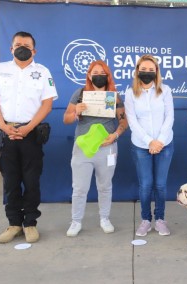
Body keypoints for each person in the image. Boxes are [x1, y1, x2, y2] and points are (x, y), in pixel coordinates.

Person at [0, 31, 58, 243]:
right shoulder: (1, 70)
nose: (22, 47)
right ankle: (14, 223)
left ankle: (30, 224)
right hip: (7, 133)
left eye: (26, 45)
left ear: (34, 50)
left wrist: (28, 128)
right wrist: (4, 127)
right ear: (11, 48)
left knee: (32, 180)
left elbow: (47, 104)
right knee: (11, 180)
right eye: (18, 44)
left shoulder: (42, 71)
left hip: (31, 133)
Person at [63, 60, 128, 237]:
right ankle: (76, 221)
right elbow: (66, 119)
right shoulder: (80, 94)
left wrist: (115, 135)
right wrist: (75, 110)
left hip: (107, 147)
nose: (99, 75)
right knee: (79, 188)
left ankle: (104, 218)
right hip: (83, 147)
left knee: (105, 186)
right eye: (95, 72)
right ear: (89, 76)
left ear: (107, 76)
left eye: (102, 72)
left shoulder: (114, 96)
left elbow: (123, 121)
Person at [124, 55, 174, 236]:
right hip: (140, 146)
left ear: (156, 72)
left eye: (151, 70)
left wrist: (159, 141)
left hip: (164, 144)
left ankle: (160, 219)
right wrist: (149, 141)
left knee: (160, 185)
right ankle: (145, 220)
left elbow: (169, 117)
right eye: (143, 70)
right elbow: (132, 121)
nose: (147, 73)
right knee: (145, 185)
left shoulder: (165, 90)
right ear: (137, 71)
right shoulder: (130, 93)